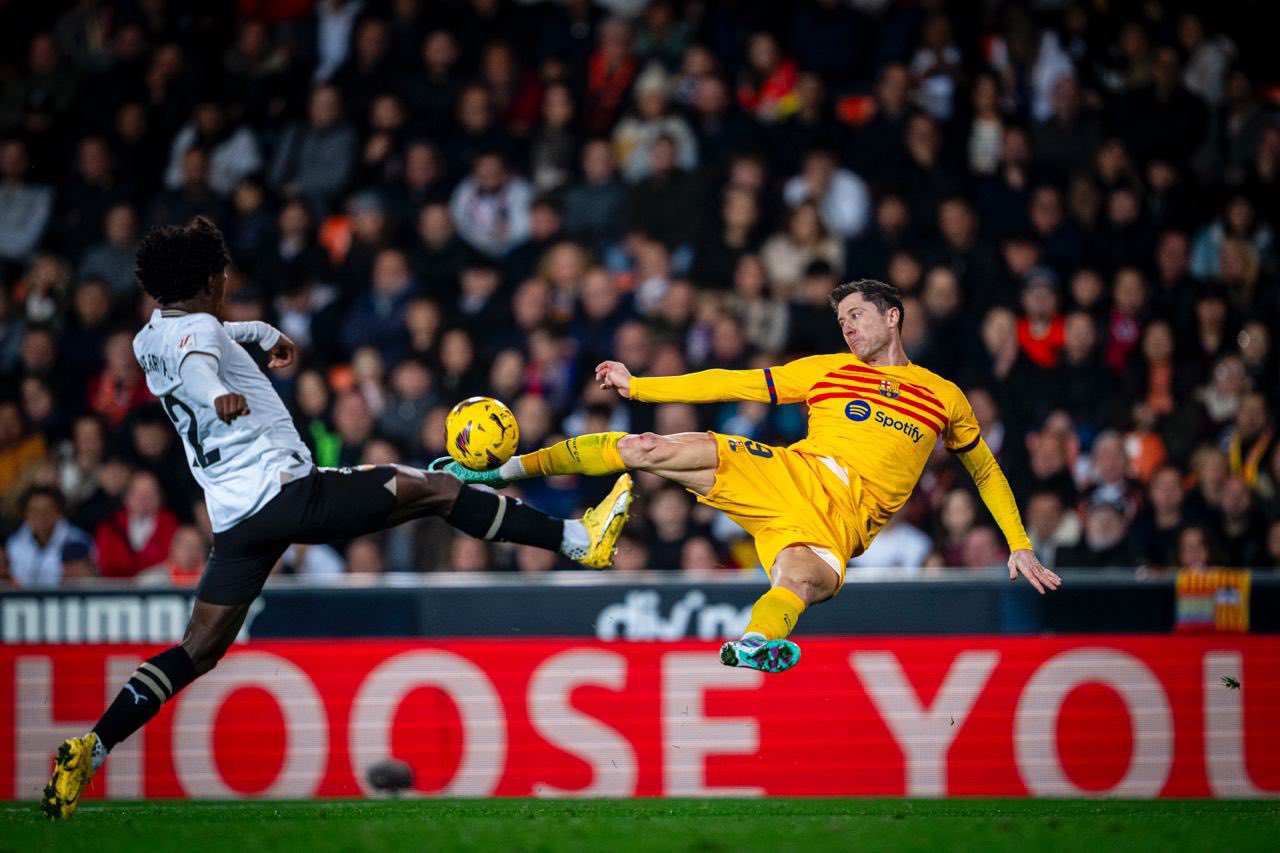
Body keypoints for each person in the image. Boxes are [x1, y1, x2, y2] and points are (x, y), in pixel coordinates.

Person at [42, 217, 633, 820]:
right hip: (288, 490)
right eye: (222, 277)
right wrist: (218, 391)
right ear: (211, 279)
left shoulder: (149, 338)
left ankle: (94, 745)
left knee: (196, 649)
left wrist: (264, 332)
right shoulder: (199, 338)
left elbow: (206, 339)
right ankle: (577, 538)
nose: (227, 286)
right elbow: (201, 359)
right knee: (435, 488)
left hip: (236, 520)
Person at [446, 279, 1060, 673]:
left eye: (856, 315)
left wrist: (1019, 542)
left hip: (841, 520)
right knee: (649, 446)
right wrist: (641, 386)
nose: (847, 327)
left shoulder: (943, 395)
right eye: (841, 319)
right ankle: (506, 468)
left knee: (802, 580)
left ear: (892, 316)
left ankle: (757, 644)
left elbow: (983, 468)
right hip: (790, 473)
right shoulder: (826, 370)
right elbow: (731, 382)